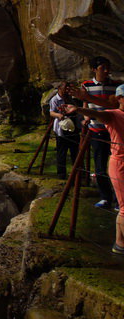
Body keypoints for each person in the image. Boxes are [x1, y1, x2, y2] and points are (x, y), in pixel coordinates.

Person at [65, 83, 124, 255]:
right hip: (119, 164)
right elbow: (97, 114)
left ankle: (120, 242)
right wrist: (78, 109)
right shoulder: (113, 115)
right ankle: (120, 242)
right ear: (120, 98)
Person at [80, 57, 120, 210]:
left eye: (108, 67)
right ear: (94, 69)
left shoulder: (116, 86)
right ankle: (105, 198)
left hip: (114, 131)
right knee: (100, 166)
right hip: (96, 130)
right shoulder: (87, 85)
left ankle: (118, 199)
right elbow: (85, 105)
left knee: (117, 166)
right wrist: (86, 118)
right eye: (103, 67)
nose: (107, 70)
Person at [49, 82, 81, 178]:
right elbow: (51, 112)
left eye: (68, 89)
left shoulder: (70, 99)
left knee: (75, 151)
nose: (67, 91)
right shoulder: (55, 99)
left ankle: (78, 173)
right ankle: (61, 174)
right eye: (65, 89)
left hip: (73, 127)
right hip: (62, 128)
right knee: (62, 152)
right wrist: (59, 115)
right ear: (59, 88)